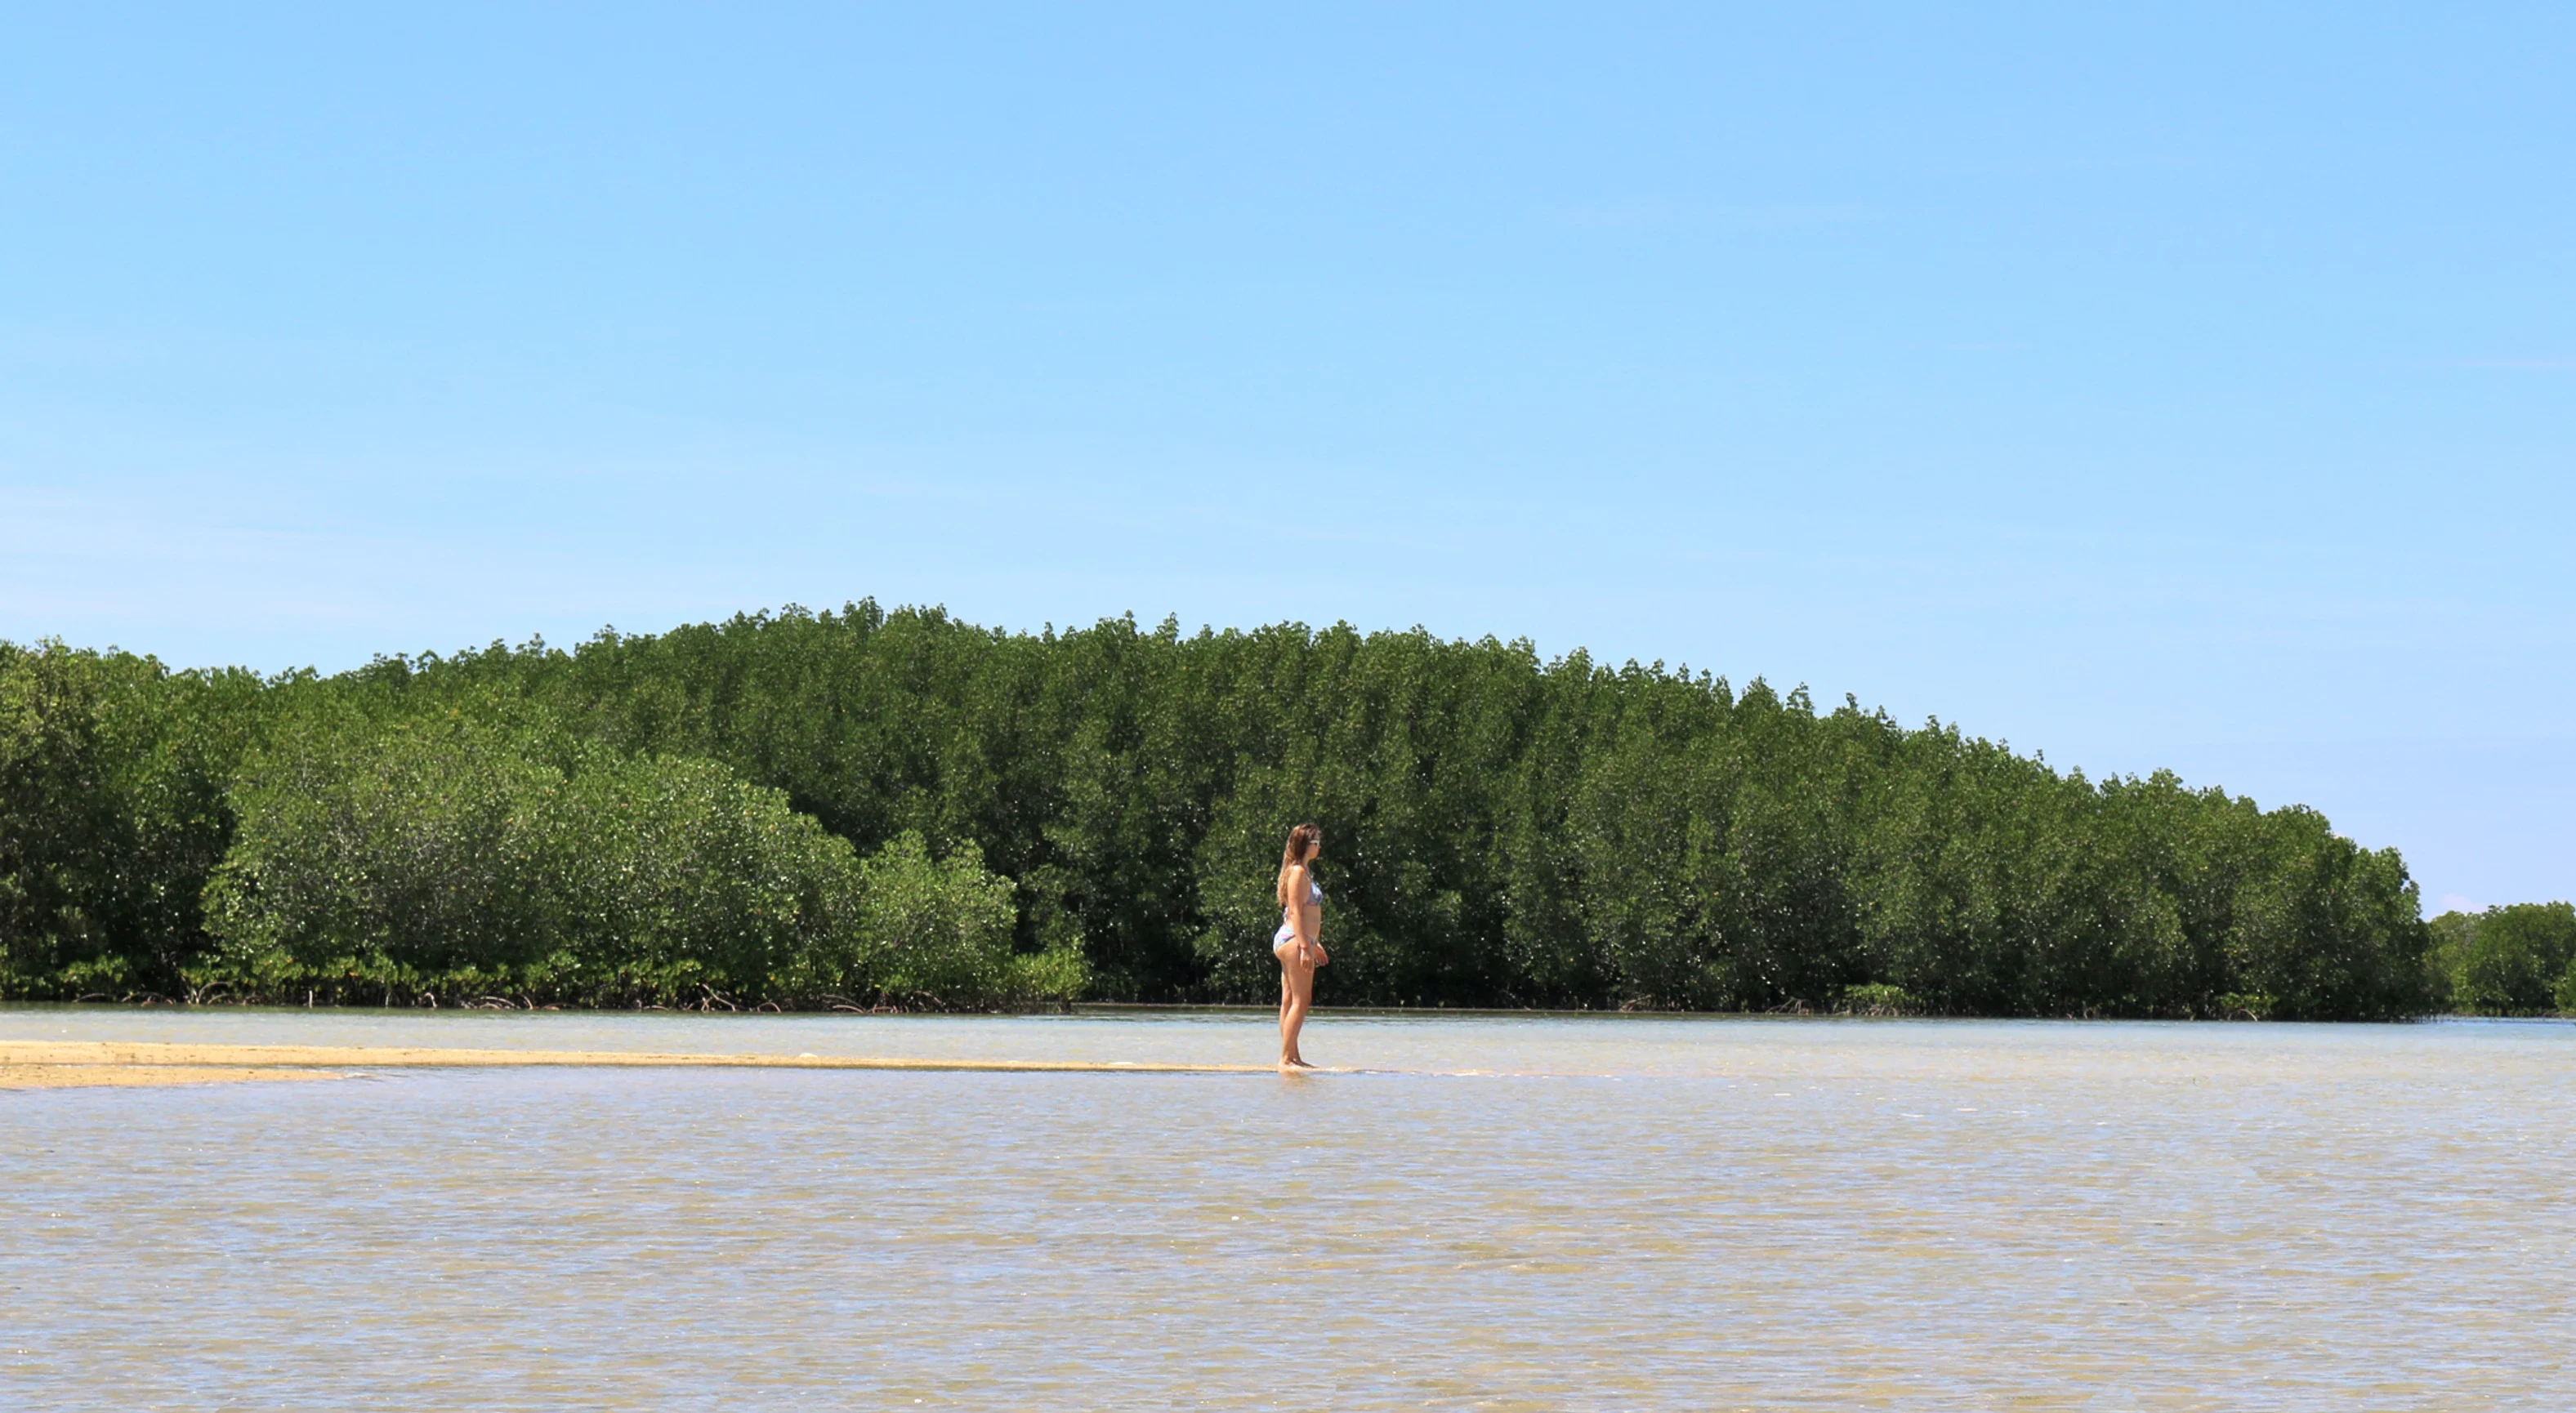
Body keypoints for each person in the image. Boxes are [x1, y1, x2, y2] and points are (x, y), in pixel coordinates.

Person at [1272, 822, 1329, 1070]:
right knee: (1301, 999)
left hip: (1300, 939)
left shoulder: (1304, 872)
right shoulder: (1296, 872)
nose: (1319, 846)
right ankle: (1286, 1058)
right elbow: (1295, 912)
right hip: (1294, 940)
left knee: (1289, 1000)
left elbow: (1308, 914)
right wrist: (1306, 947)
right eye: (1316, 842)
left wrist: (1315, 944)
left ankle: (1292, 1056)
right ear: (1307, 845)